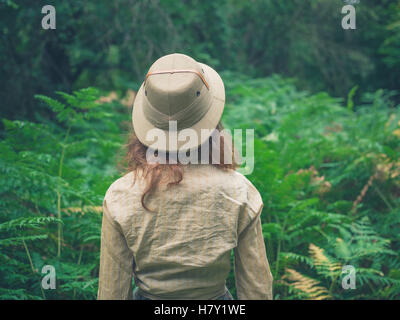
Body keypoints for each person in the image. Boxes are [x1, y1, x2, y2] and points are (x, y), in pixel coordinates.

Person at [97, 53, 273, 300]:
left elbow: (111, 292)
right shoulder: (239, 191)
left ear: (147, 123)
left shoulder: (120, 195)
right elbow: (257, 289)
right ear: (210, 123)